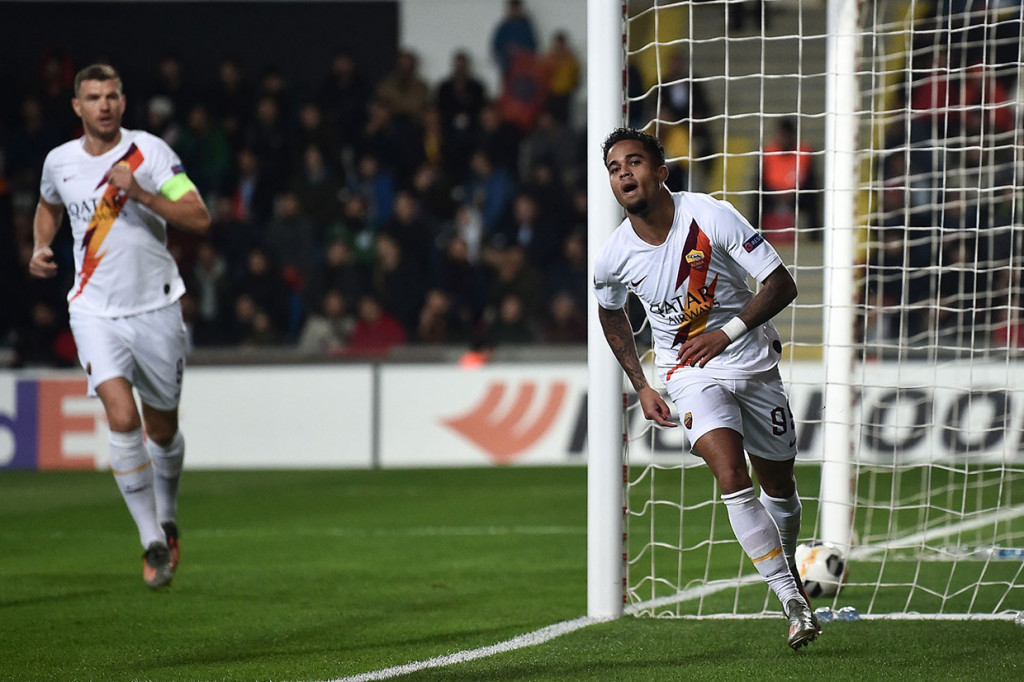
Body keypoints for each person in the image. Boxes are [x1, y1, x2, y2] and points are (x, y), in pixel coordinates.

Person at [592, 128, 819, 650]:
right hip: (687, 372)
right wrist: (641, 382)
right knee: (731, 476)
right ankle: (791, 599)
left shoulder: (711, 216)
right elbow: (611, 313)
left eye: (634, 162)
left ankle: (789, 574)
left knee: (779, 486)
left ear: (661, 172)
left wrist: (726, 333)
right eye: (613, 167)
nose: (623, 172)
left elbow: (782, 283)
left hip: (752, 362)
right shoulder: (612, 256)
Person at [29, 64, 211, 589]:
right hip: (93, 311)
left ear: (123, 103)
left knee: (162, 430)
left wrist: (142, 194)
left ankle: (169, 514)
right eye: (93, 97)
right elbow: (47, 206)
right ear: (77, 107)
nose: (104, 105)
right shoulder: (59, 162)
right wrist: (42, 244)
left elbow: (198, 215)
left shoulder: (150, 153)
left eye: (111, 96)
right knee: (121, 416)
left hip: (155, 310)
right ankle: (151, 539)